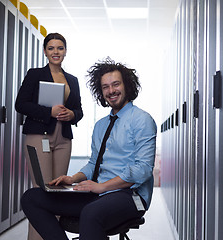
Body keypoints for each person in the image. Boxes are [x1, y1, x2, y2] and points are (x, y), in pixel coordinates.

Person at [20, 57, 157, 240]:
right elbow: (94, 163)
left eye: (115, 84)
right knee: (32, 198)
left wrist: (102, 187)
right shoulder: (101, 125)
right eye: (105, 87)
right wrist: (72, 178)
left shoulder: (142, 120)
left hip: (131, 195)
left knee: (91, 213)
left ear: (127, 86)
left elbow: (143, 170)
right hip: (99, 193)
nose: (111, 91)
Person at [15, 33, 83, 240]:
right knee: (41, 192)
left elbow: (79, 110)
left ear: (65, 51)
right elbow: (21, 104)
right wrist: (48, 112)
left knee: (58, 192)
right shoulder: (35, 74)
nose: (56, 52)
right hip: (39, 137)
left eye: (60, 48)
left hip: (63, 138)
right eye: (51, 48)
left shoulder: (73, 79)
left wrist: (72, 115)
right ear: (45, 51)